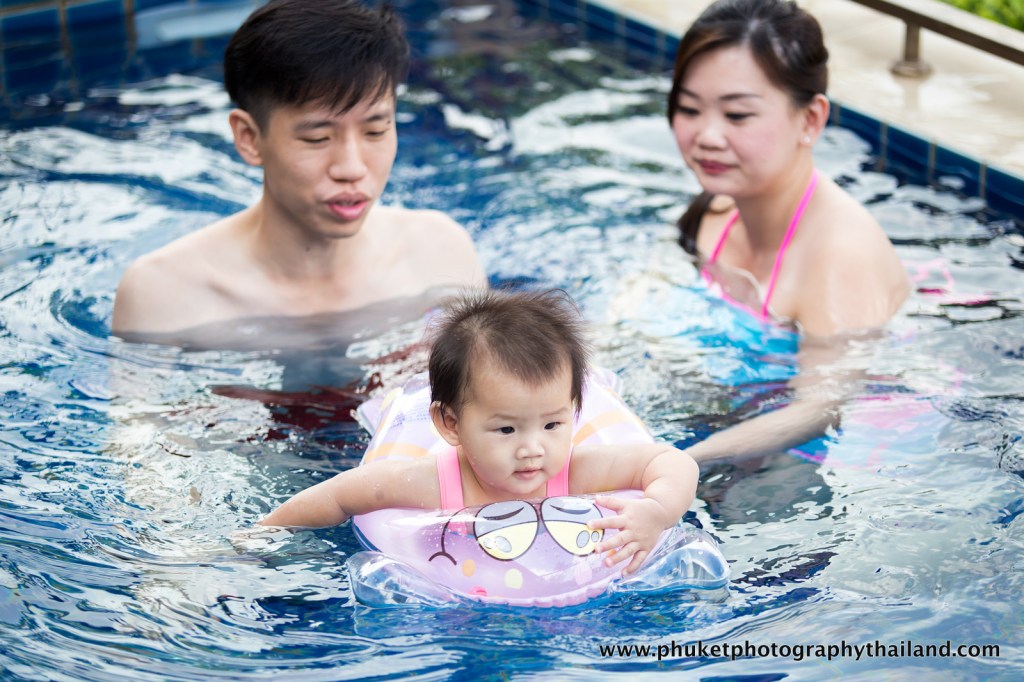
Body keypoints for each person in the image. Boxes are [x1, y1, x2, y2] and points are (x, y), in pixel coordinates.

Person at [111, 0, 485, 346]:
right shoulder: (164, 295)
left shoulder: (440, 254)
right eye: (317, 138)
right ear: (249, 138)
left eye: (375, 131)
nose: (352, 168)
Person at [259, 289, 699, 574]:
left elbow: (671, 461)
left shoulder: (575, 470)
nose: (532, 449)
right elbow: (339, 495)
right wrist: (265, 533)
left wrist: (657, 511)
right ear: (451, 425)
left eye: (553, 424)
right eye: (506, 429)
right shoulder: (431, 481)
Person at [666, 0, 909, 462]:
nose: (707, 136)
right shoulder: (715, 208)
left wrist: (679, 462)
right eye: (688, 108)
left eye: (737, 115)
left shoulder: (841, 256)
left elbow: (819, 409)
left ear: (811, 119)